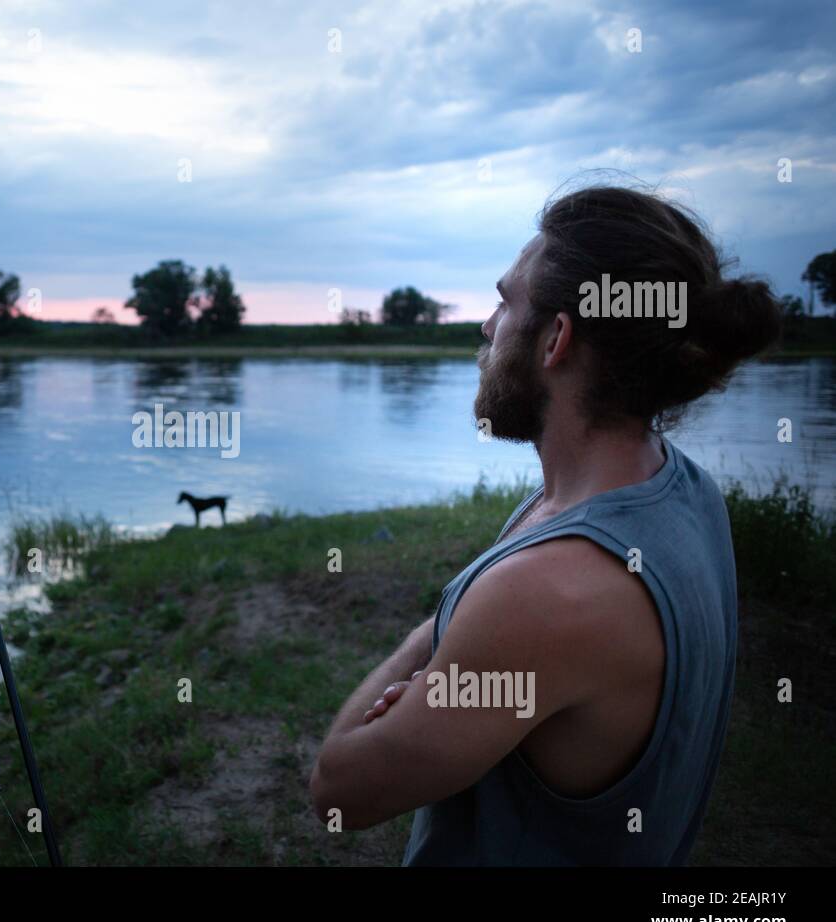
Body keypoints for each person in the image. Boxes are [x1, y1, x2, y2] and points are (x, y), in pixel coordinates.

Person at [309, 184, 782, 865]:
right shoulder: (683, 489)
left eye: (505, 302)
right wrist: (465, 636)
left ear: (556, 339)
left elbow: (337, 790)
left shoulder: (550, 592)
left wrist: (438, 643)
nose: (485, 326)